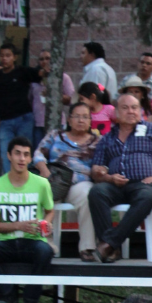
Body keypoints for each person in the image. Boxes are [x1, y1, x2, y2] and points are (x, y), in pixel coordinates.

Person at [88, 94, 152, 263]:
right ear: (116, 112)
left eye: (134, 107)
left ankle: (108, 245)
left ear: (140, 111)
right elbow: (96, 169)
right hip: (115, 184)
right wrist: (107, 177)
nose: (131, 111)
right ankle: (111, 248)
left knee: (148, 196)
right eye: (125, 108)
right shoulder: (107, 138)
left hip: (144, 185)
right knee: (96, 192)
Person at [33, 102, 101, 261]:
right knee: (43, 190)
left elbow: (102, 163)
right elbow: (37, 154)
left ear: (90, 121)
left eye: (85, 117)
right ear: (69, 120)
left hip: (79, 183)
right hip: (54, 179)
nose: (81, 120)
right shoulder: (55, 135)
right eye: (77, 116)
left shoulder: (97, 141)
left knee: (87, 194)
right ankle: (45, 242)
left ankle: (87, 247)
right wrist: (44, 171)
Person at [0, 136, 54, 303]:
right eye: (17, 154)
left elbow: (50, 210)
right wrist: (18, 225)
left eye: (26, 155)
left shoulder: (42, 184)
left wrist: (47, 223)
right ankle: (5, 294)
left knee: (46, 251)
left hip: (32, 241)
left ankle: (31, 300)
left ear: (30, 159)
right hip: (6, 243)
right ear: (9, 156)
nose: (22, 158)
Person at [0, 44, 45, 170]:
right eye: (2, 56)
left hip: (24, 119)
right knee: (6, 154)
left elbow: (40, 74)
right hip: (5, 122)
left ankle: (24, 183)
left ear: (14, 57)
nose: (4, 58)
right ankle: (8, 184)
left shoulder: (22, 72)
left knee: (24, 153)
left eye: (8, 55)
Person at [29, 49, 74, 149]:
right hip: (38, 123)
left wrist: (53, 95)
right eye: (41, 59)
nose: (44, 61)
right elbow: (30, 99)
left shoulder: (63, 77)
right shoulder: (34, 79)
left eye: (47, 58)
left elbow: (69, 100)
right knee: (38, 152)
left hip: (56, 121)